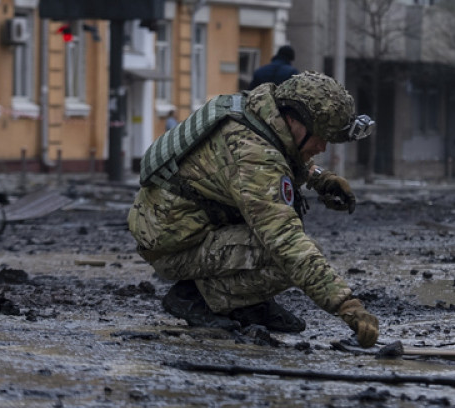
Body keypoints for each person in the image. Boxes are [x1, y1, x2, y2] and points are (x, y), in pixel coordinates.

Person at [127, 72, 380, 347]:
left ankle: (246, 303)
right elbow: (286, 242)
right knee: (283, 256)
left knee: (277, 234)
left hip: (181, 227)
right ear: (294, 118)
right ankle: (197, 298)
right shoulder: (251, 153)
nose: (322, 146)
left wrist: (320, 178)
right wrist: (347, 306)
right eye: (319, 136)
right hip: (176, 246)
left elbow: (280, 150)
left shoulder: (257, 111)